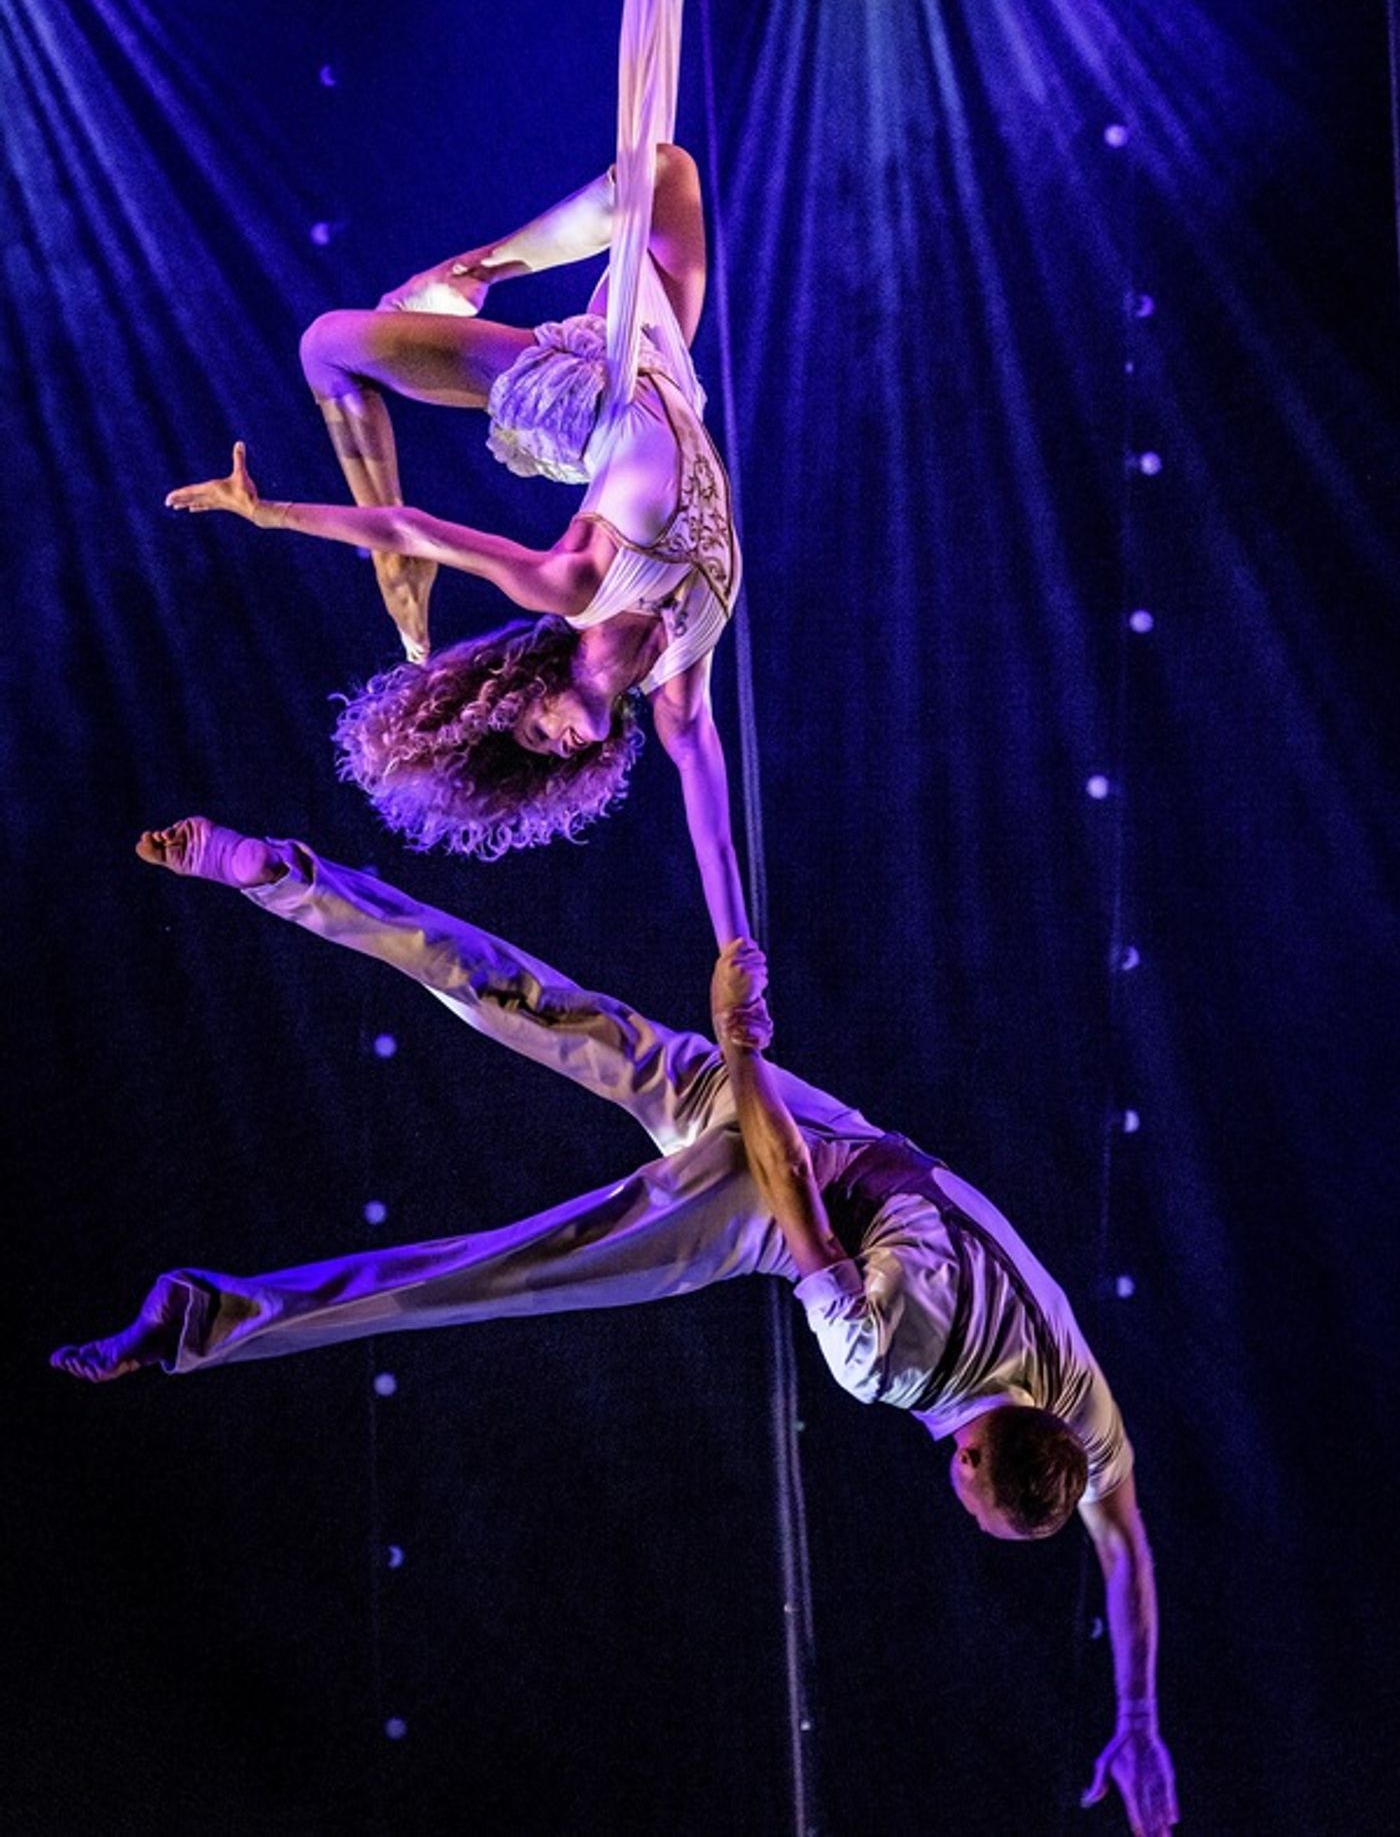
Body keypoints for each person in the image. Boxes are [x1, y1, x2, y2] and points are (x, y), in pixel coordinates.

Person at [55, 818, 1177, 1831]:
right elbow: (786, 1185)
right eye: (974, 1504)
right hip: (764, 1171)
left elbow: (1124, 1545)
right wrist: (738, 1038)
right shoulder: (888, 1365)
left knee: (519, 994)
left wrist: (1137, 1720)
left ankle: (273, 873)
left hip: (824, 1125)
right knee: (499, 1273)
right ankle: (204, 1320)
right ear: (971, 1458)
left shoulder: (1076, 1394)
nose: (963, 1500)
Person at [165, 146, 747, 945]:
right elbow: (714, 829)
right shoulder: (681, 682)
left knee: (325, 346)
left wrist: (273, 513)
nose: (559, 742)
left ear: (534, 682)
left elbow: (416, 527)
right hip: (662, 365)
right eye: (557, 752)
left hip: (581, 395)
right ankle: (466, 279)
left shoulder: (571, 586)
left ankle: (476, 279)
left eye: (535, 731)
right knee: (668, 171)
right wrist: (733, 954)